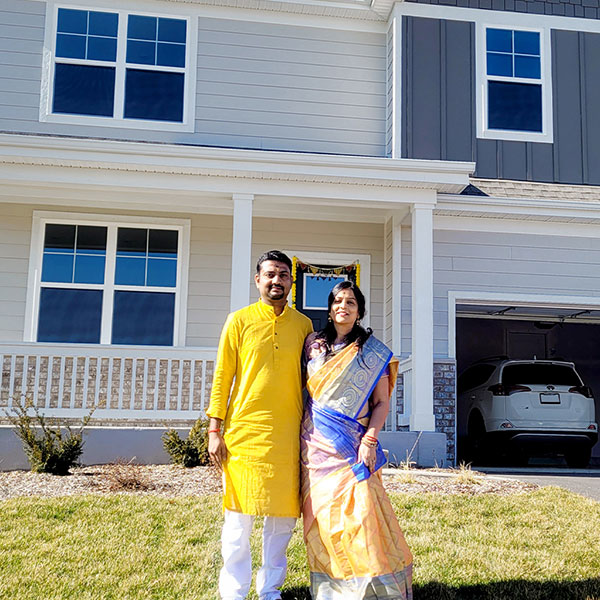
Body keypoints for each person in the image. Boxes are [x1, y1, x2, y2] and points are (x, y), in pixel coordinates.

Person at [207, 250, 313, 600]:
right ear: (258, 280)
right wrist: (214, 430)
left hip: (287, 436)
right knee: (238, 524)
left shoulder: (303, 326)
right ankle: (233, 593)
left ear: (291, 282)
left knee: (282, 522)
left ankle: (270, 590)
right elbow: (223, 376)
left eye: (283, 275)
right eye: (270, 274)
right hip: (244, 435)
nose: (276, 281)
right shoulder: (238, 321)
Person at [300, 280, 413, 600]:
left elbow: (381, 403)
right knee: (323, 521)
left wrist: (370, 441)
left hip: (354, 447)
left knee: (361, 519)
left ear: (360, 310)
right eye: (337, 301)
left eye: (350, 302)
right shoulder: (312, 346)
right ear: (330, 307)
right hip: (315, 448)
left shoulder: (372, 352)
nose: (343, 307)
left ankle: (373, 590)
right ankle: (332, 591)